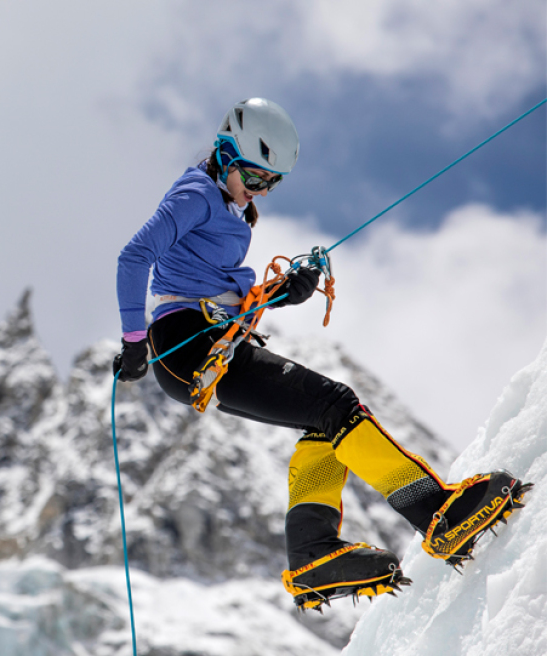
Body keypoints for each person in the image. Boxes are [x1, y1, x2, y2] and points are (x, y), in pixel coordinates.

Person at [113, 98, 532, 610]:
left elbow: (211, 285)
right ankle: (438, 514)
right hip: (187, 341)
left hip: (206, 339)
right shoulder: (196, 194)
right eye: (254, 176)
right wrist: (135, 344)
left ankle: (313, 555)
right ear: (224, 153)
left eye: (271, 183)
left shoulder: (227, 201)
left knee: (325, 424)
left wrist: (284, 291)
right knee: (336, 404)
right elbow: (135, 256)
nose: (259, 191)